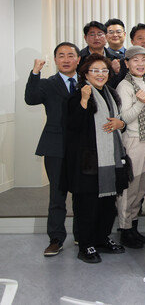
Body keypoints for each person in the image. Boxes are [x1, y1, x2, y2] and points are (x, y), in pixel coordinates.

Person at [64, 53, 129, 264]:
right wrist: (84, 100)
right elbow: (73, 125)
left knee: (107, 204)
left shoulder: (111, 93)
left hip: (111, 159)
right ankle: (86, 245)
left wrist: (121, 124)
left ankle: (102, 239)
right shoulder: (79, 95)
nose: (100, 74)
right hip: (89, 161)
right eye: (95, 70)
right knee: (87, 205)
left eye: (104, 70)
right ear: (85, 74)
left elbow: (118, 121)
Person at [24, 42, 80, 257]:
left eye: (70, 55)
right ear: (55, 60)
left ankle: (81, 235)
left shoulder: (86, 82)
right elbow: (31, 99)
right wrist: (35, 72)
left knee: (81, 193)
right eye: (61, 55)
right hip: (55, 146)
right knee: (57, 195)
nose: (66, 59)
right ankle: (55, 239)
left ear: (78, 59)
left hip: (81, 147)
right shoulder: (48, 84)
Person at [115, 46, 145, 249]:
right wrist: (140, 103)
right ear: (127, 63)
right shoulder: (124, 86)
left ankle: (133, 227)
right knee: (129, 190)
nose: (140, 64)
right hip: (133, 141)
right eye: (135, 60)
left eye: (143, 60)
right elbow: (123, 118)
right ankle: (124, 230)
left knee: (140, 190)